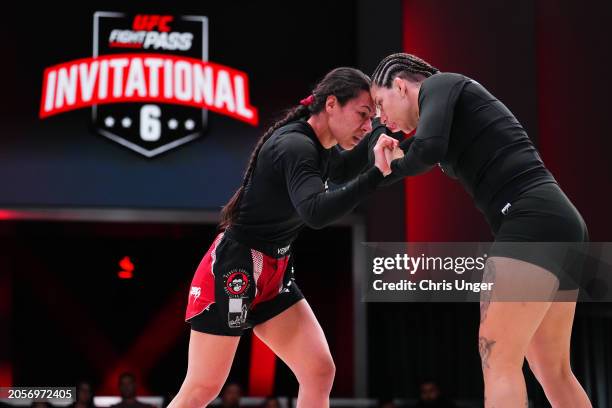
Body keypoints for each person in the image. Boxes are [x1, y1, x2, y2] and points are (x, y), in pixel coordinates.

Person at [368, 53, 591, 407]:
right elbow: (403, 160)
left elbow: (426, 151)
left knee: (498, 358)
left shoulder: (440, 84)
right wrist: (383, 159)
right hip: (557, 220)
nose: (380, 117)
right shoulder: (446, 114)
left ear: (401, 86)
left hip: (530, 218)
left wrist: (394, 161)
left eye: (379, 103)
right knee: (552, 370)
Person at [168, 67, 396, 408]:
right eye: (363, 115)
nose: (367, 126)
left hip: (274, 271)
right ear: (331, 103)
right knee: (202, 388)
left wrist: (394, 141)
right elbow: (316, 213)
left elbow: (345, 169)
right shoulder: (294, 146)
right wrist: (378, 173)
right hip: (236, 271)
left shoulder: (320, 145)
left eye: (371, 119)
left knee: (318, 371)